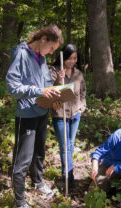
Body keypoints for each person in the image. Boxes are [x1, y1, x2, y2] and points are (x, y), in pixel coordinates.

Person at [6, 24, 63, 208]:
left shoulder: (42, 58)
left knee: (39, 152)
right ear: (43, 39)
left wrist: (54, 95)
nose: (52, 52)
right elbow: (12, 87)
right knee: (22, 159)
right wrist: (40, 91)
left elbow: (45, 82)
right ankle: (19, 201)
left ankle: (38, 183)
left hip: (42, 112)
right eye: (51, 48)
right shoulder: (21, 54)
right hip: (27, 114)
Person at [49, 44, 87, 187]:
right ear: (63, 58)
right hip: (60, 114)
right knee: (65, 146)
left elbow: (83, 91)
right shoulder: (54, 71)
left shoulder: (78, 73)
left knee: (70, 144)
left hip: (75, 114)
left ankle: (68, 173)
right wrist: (59, 79)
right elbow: (51, 93)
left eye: (75, 58)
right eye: (69, 58)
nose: (72, 61)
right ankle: (68, 177)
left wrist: (82, 104)